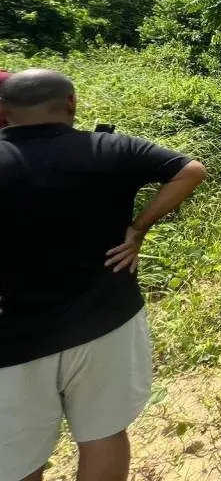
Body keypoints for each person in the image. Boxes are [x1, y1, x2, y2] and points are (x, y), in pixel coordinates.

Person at [0, 69, 207, 481]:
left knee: (16, 457)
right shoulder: (111, 148)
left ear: (4, 112)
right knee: (103, 435)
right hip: (106, 318)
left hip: (12, 338)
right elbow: (191, 170)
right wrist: (138, 228)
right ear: (72, 104)